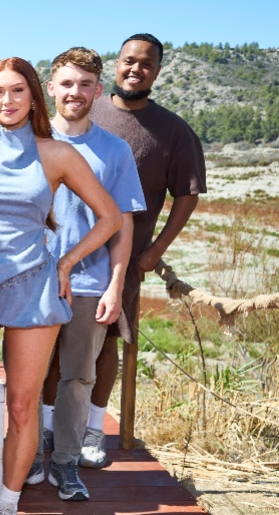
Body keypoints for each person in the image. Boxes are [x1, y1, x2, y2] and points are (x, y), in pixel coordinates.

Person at [0, 57, 121, 515]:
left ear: (34, 96)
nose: (7, 100)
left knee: (21, 407)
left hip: (34, 290)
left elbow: (110, 217)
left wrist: (66, 264)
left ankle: (8, 508)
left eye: (17, 90)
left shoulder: (57, 153)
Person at [25, 47, 146, 501]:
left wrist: (115, 286)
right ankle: (28, 456)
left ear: (97, 91)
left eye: (85, 84)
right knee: (28, 377)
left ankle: (66, 462)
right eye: (67, 83)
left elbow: (123, 223)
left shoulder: (115, 151)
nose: (75, 92)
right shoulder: (26, 142)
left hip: (89, 284)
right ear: (50, 89)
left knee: (78, 379)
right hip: (29, 284)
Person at [85, 33, 206, 467]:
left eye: (146, 64)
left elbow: (188, 194)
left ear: (157, 71)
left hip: (123, 260)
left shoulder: (173, 131)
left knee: (107, 343)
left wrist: (154, 251)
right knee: (56, 342)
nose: (136, 69)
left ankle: (92, 430)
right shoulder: (86, 110)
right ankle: (50, 427)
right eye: (129, 61)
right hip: (65, 255)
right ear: (116, 64)